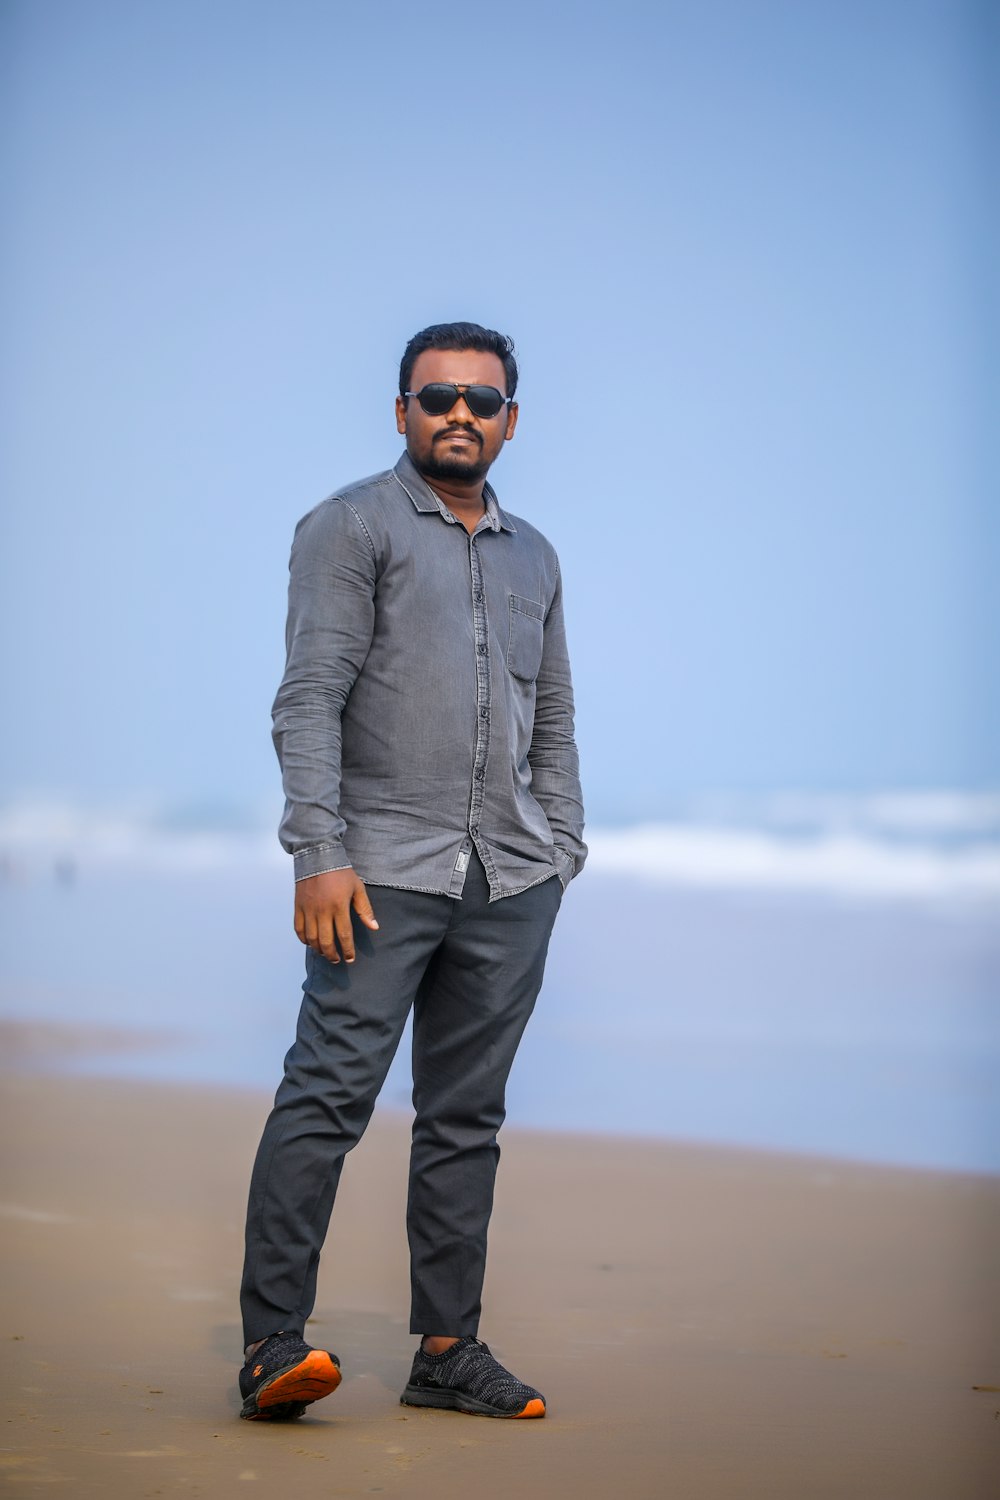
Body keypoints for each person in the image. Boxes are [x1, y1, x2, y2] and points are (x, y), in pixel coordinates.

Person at [238, 321, 586, 1424]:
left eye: (482, 401)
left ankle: (447, 1351)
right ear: (400, 411)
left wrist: (561, 845)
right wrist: (319, 854)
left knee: (465, 1115)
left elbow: (555, 716)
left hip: (510, 881)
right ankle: (269, 1346)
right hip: (378, 871)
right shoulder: (349, 525)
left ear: (510, 421)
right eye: (437, 396)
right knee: (327, 1097)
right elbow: (307, 699)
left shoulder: (535, 553)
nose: (459, 415)